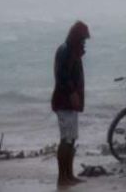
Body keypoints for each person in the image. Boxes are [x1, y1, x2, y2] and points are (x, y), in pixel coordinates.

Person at [51, 21, 90, 187]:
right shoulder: (65, 51)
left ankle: (69, 174)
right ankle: (62, 177)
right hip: (64, 101)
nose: (84, 43)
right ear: (76, 37)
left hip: (71, 103)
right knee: (66, 139)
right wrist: (73, 92)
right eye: (82, 39)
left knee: (71, 139)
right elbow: (62, 77)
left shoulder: (71, 51)